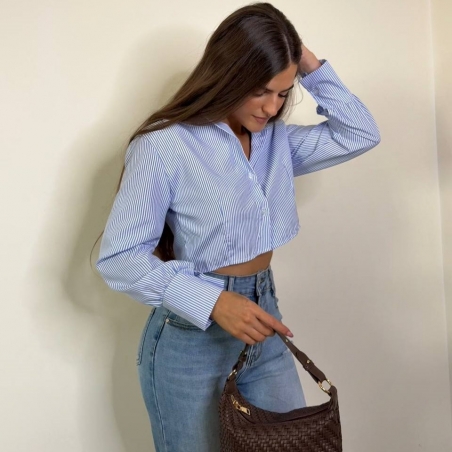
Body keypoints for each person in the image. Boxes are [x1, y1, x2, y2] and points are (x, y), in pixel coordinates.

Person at [95, 2, 380, 451]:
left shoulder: (275, 141)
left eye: (284, 93)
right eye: (261, 90)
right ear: (229, 75)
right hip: (190, 340)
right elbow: (120, 258)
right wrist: (212, 302)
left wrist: (304, 60)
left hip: (264, 320)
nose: (272, 107)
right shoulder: (165, 145)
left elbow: (360, 133)